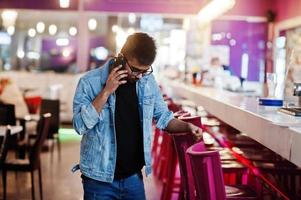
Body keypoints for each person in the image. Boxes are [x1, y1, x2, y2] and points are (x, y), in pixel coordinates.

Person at [72, 32, 202, 200]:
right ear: (120, 58)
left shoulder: (148, 82)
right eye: (135, 70)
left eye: (145, 71)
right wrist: (106, 92)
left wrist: (187, 127)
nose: (139, 76)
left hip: (133, 178)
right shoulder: (90, 82)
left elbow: (163, 117)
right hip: (98, 180)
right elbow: (79, 125)